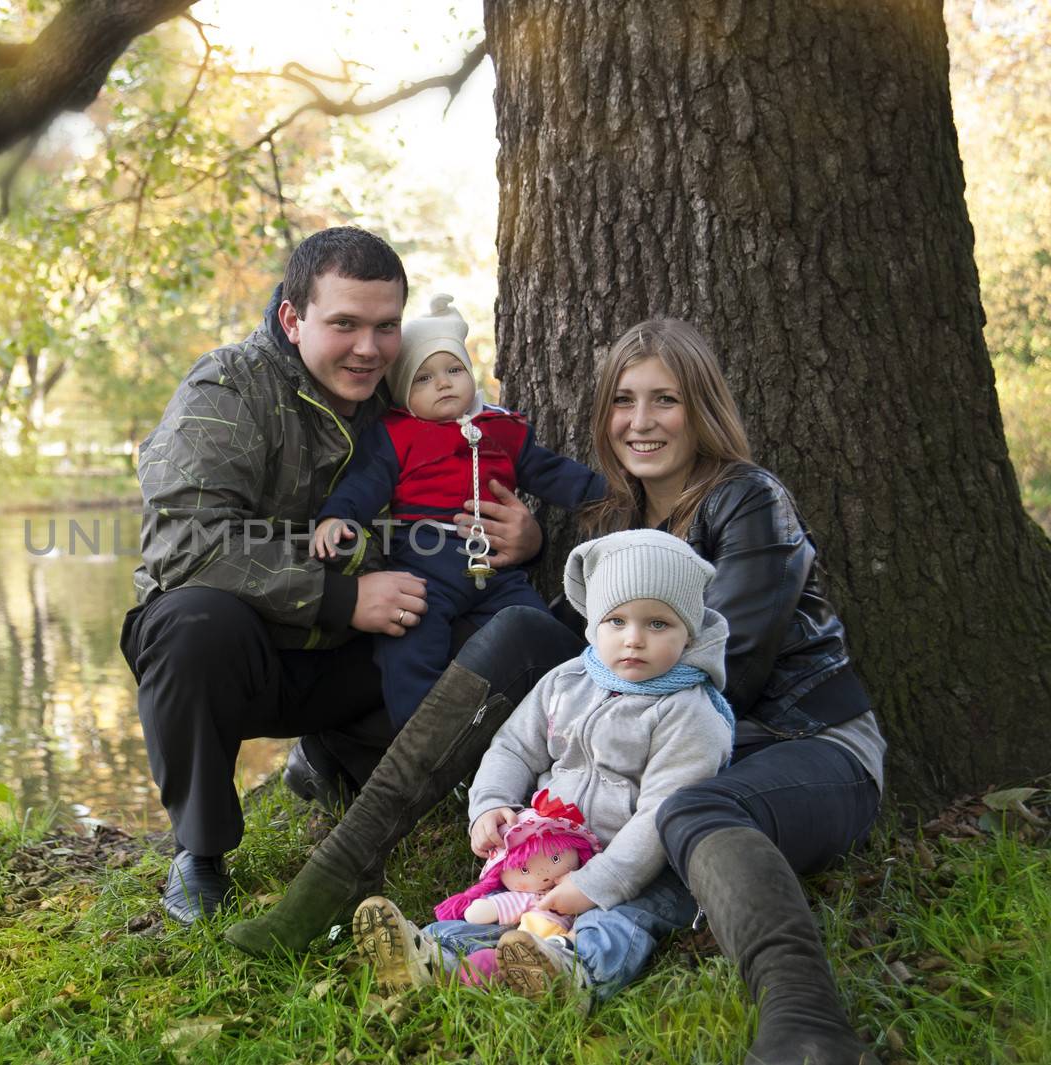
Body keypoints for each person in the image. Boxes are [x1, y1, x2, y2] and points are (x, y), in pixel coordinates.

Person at [225, 317, 885, 1065]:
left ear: (701, 407)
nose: (640, 422)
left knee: (693, 805)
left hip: (797, 744)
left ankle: (807, 1024)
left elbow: (737, 667)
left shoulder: (748, 499)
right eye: (623, 401)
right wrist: (536, 555)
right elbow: (570, 661)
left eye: (665, 400)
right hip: (660, 757)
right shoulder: (614, 517)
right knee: (518, 631)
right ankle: (341, 869)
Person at [121, 227, 539, 924]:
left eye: (384, 326)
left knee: (495, 629)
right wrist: (339, 595)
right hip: (249, 650)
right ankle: (201, 850)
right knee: (188, 623)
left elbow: (489, 459)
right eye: (344, 323)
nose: (369, 348)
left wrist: (525, 534)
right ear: (293, 317)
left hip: (366, 654)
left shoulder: (410, 389)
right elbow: (185, 539)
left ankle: (337, 759)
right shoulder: (227, 386)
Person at [351, 530, 734, 993]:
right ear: (593, 623)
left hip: (641, 870)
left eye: (658, 624)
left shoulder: (689, 712)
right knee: (505, 908)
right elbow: (514, 746)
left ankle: (571, 972)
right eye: (616, 621)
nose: (634, 640)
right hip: (551, 856)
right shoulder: (566, 682)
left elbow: (662, 812)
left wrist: (599, 883)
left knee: (616, 924)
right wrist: (490, 803)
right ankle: (434, 958)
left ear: (689, 630)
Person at [312, 294, 600, 728]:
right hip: (427, 565)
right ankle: (422, 745)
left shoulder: (502, 428)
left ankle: (571, 724)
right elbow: (366, 483)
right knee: (408, 645)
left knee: (540, 634)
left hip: (499, 572)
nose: (443, 383)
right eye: (423, 378)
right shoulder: (398, 434)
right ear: (404, 394)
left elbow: (552, 472)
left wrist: (605, 495)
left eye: (453, 370)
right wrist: (337, 517)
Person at [351, 789, 601, 989]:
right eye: (523, 869)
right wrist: (490, 801)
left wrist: (592, 885)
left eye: (555, 858)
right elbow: (512, 748)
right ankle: (429, 955)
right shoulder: (521, 897)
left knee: (605, 926)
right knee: (478, 931)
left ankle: (566, 969)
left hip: (598, 889)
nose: (544, 872)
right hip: (522, 925)